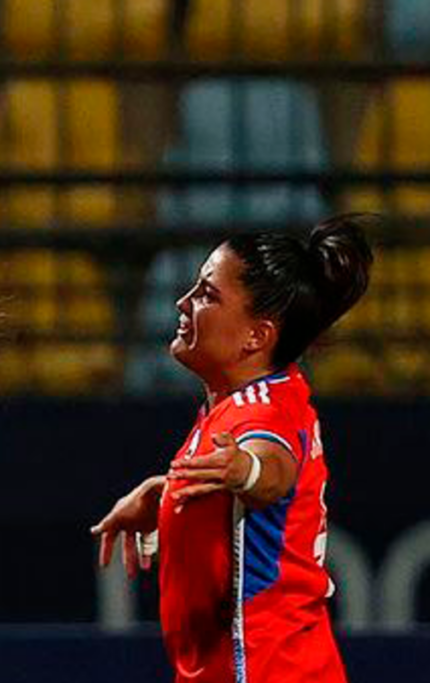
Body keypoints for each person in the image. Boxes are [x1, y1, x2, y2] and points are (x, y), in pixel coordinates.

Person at [92, 214, 373, 682]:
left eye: (206, 295)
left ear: (256, 335)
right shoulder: (253, 398)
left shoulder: (261, 412)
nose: (183, 302)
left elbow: (273, 472)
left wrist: (246, 470)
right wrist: (166, 494)